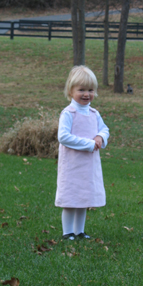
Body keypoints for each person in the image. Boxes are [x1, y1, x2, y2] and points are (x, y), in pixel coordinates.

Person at [55, 66, 110, 240]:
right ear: (71, 91)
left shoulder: (94, 113)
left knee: (83, 198)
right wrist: (88, 144)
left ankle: (79, 231)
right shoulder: (68, 113)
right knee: (71, 197)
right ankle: (67, 232)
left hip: (88, 165)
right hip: (72, 164)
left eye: (90, 90)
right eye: (81, 90)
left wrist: (101, 137)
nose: (86, 94)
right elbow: (63, 137)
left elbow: (105, 129)